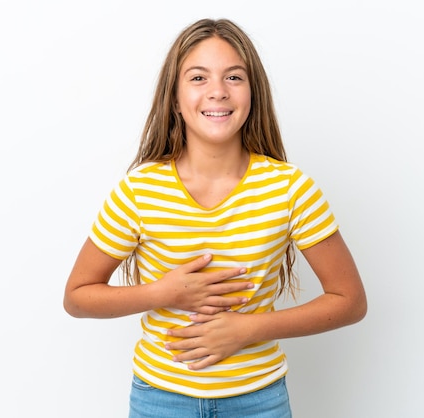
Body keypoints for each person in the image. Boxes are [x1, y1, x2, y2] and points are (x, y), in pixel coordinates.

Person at [64, 17, 367, 418]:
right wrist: (164, 293)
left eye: (234, 77)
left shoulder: (290, 189)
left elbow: (350, 301)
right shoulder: (139, 192)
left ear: (253, 93)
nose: (218, 92)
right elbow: (78, 297)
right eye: (198, 78)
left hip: (259, 401)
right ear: (174, 98)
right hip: (160, 399)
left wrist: (247, 330)